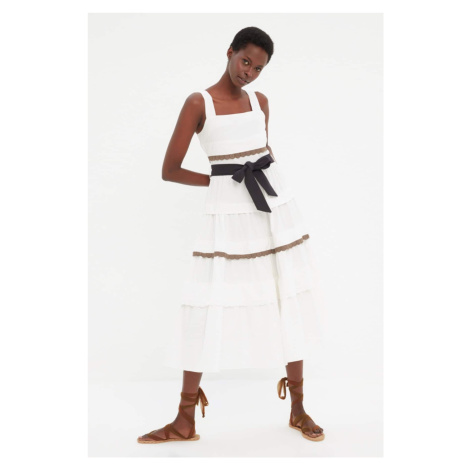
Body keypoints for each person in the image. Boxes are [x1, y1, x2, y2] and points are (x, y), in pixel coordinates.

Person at [137, 26, 324, 444]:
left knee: (287, 297)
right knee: (205, 305)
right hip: (225, 217)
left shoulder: (260, 102)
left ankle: (298, 409)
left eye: (258, 68)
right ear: (230, 52)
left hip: (274, 210)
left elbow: (265, 153)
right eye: (245, 61)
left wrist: (278, 198)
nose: (249, 73)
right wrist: (219, 181)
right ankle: (184, 419)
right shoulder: (198, 103)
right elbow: (169, 170)